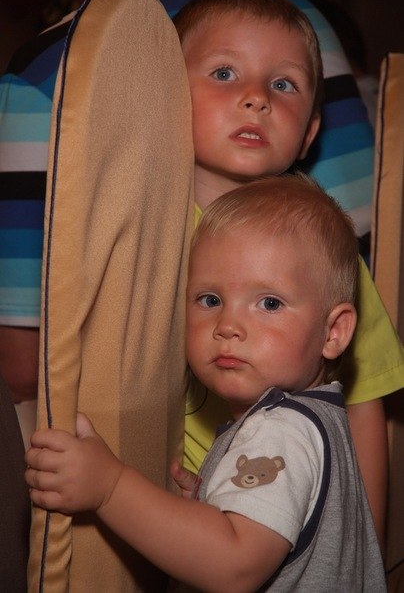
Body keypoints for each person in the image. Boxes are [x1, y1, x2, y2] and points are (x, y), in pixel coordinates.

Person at [26, 176, 386, 591]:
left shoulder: (281, 430)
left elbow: (234, 566)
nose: (228, 325)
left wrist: (109, 487)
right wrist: (213, 505)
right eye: (210, 300)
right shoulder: (321, 420)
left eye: (269, 303)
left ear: (333, 332)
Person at [170, 0, 404, 551]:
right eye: (225, 73)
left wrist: (363, 547)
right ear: (166, 99)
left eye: (283, 84)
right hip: (179, 512)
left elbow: (363, 401)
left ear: (309, 133)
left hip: (293, 521)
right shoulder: (144, 225)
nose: (256, 98)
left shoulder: (321, 248)